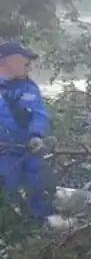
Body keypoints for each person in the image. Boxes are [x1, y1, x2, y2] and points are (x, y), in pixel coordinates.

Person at [0, 41, 54, 222]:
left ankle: (38, 229)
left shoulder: (29, 87)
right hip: (4, 155)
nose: (29, 66)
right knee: (10, 193)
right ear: (9, 61)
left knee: (37, 188)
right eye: (25, 61)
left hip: (29, 151)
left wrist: (36, 135)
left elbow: (39, 114)